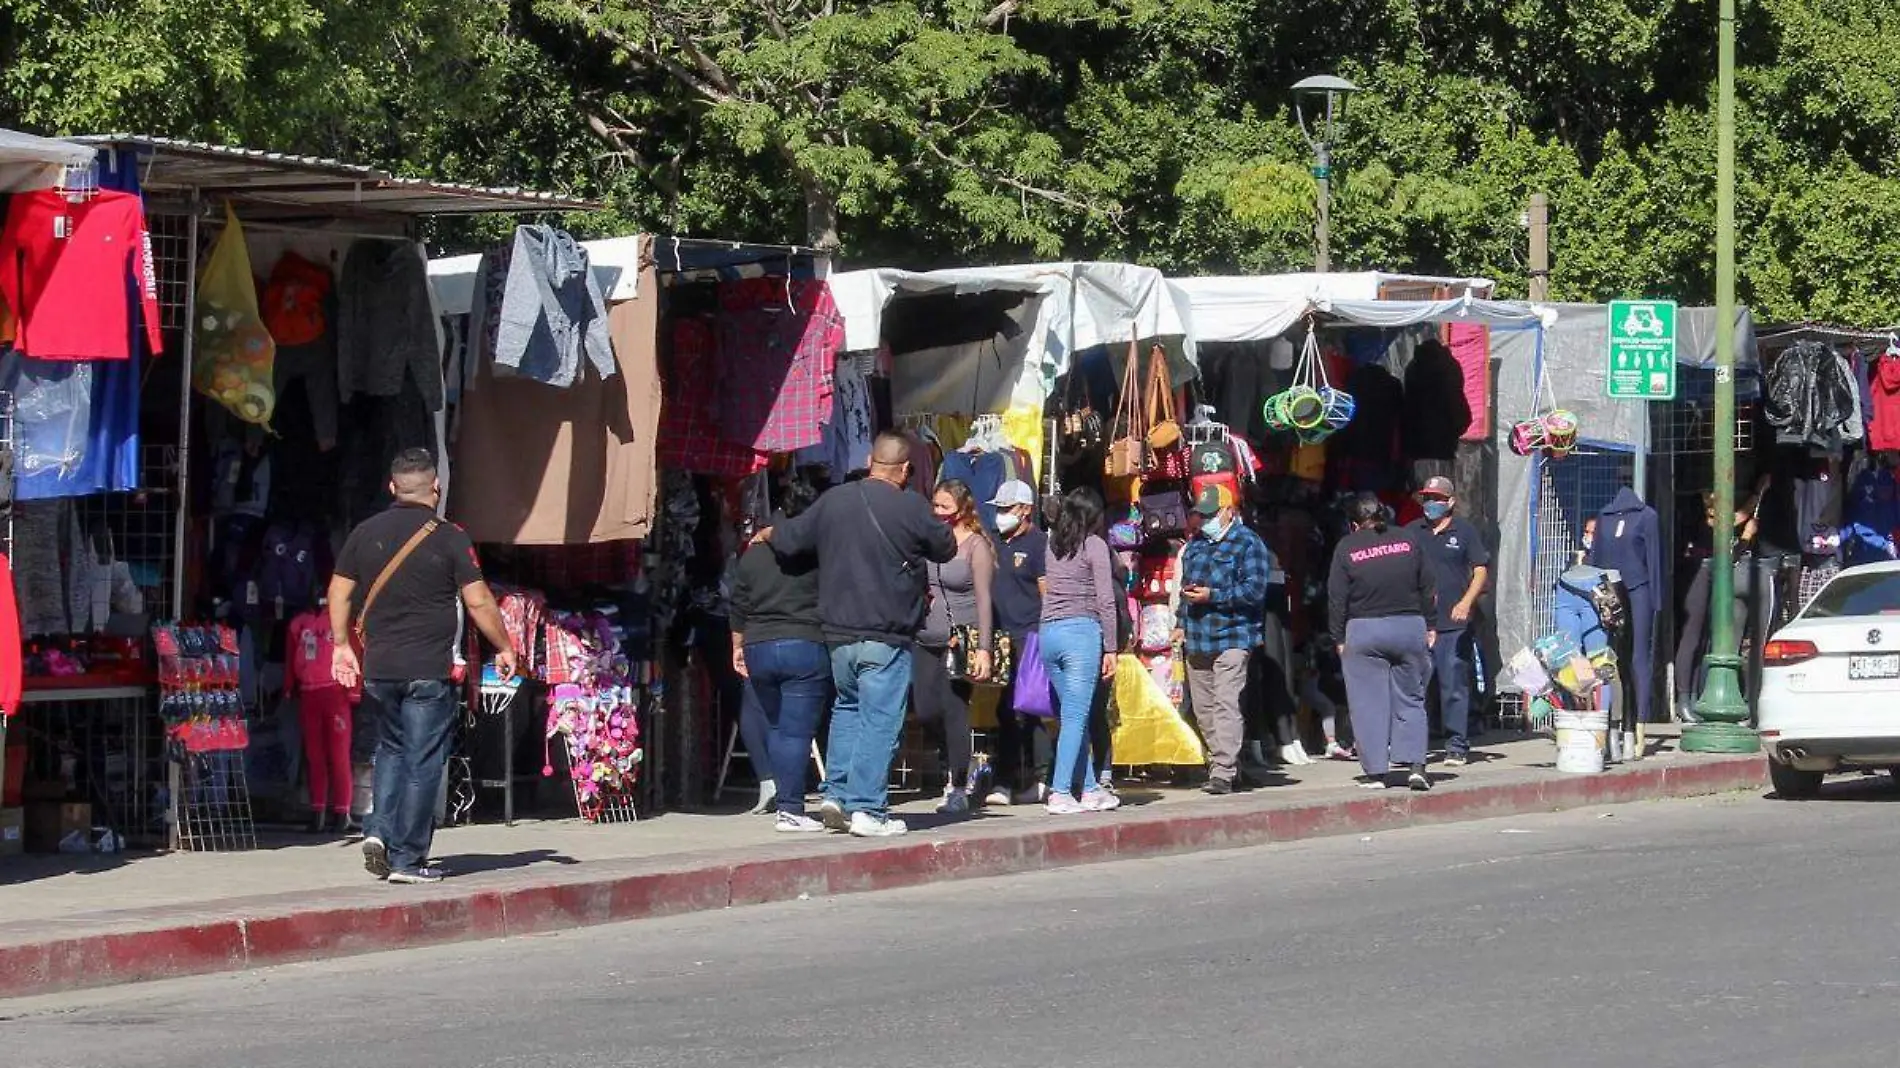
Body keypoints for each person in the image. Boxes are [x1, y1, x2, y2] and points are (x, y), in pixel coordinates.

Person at [329, 449, 517, 885]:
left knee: (391, 752)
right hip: (428, 670)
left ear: (392, 488)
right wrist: (504, 646)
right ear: (436, 489)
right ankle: (407, 860)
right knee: (424, 761)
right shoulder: (451, 537)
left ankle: (378, 832)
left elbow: (339, 591)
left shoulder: (365, 533)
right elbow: (478, 600)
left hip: (380, 669)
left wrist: (341, 646)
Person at [758, 432, 956, 837]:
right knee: (880, 719)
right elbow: (946, 547)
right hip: (885, 632)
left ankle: (836, 793)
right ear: (903, 469)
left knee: (847, 710)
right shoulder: (911, 506)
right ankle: (868, 809)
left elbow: (792, 539)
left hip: (837, 632)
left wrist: (768, 533)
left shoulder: (835, 499)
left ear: (870, 460)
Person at [730, 478, 830, 834]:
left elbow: (738, 601)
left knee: (777, 727)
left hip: (759, 645)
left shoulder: (755, 550)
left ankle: (783, 798)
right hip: (804, 642)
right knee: (795, 731)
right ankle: (790, 808)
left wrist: (737, 645)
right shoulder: (819, 550)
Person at [1327, 493, 1437, 792]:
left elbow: (1337, 598)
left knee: (1367, 704)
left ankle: (1377, 773)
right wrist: (1431, 624)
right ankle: (1416, 767)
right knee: (1412, 698)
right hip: (1409, 626)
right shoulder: (1408, 539)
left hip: (1364, 630)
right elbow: (1428, 585)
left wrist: (1338, 637)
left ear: (1353, 524)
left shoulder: (1347, 547)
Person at [1178, 485, 1272, 795]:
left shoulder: (1249, 544)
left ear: (1227, 512)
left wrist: (1213, 597)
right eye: (1200, 515)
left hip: (1234, 635)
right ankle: (1231, 766)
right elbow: (1185, 589)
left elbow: (1254, 592)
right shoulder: (1194, 546)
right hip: (1198, 638)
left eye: (1210, 515)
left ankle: (1222, 771)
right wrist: (1180, 621)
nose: (1204, 521)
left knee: (1226, 703)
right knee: (1204, 709)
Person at [915, 479, 996, 815]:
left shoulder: (975, 546)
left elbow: (983, 598)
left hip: (960, 638)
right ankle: (956, 762)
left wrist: (984, 647)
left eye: (945, 506)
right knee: (925, 709)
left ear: (963, 509)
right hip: (924, 636)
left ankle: (959, 784)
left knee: (953, 709)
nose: (938, 512)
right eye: (935, 505)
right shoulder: (929, 541)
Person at [1038, 487, 1120, 814]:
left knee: (1074, 715)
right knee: (1075, 716)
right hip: (1081, 633)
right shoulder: (1095, 545)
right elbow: (1106, 599)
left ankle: (1088, 788)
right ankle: (1059, 792)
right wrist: (1111, 647)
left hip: (1049, 632)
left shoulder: (1052, 543)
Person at [1405, 476, 1490, 766]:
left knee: (1453, 684)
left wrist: (1466, 602)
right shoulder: (1411, 532)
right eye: (1427, 498)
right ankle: (1414, 745)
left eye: (1437, 498)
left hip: (1453, 624)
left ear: (1450, 502)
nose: (1430, 503)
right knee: (1416, 686)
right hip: (1419, 623)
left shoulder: (1464, 531)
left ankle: (1456, 744)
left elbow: (1480, 570)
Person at [987, 480, 1050, 804]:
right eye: (998, 509)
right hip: (999, 636)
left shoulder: (1039, 544)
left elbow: (1046, 592)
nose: (1000, 515)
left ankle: (1012, 780)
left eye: (1006, 509)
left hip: (1029, 636)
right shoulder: (994, 541)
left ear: (1025, 509)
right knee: (1012, 709)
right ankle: (1033, 777)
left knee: (1020, 708)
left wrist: (1045, 634)